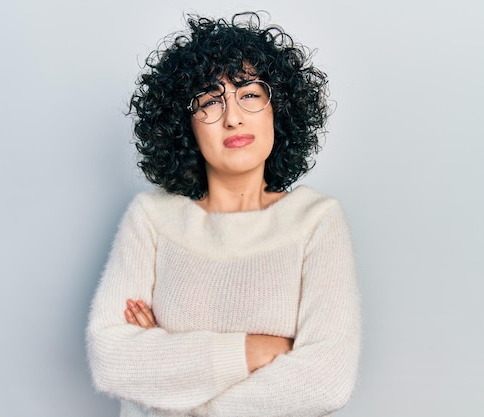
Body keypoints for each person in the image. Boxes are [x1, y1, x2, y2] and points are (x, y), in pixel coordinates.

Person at [86, 11, 361, 417]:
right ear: (185, 125)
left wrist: (168, 373)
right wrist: (252, 351)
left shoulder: (316, 221)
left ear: (277, 109)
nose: (232, 117)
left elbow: (325, 382)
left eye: (249, 94)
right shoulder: (152, 218)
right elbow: (111, 360)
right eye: (210, 101)